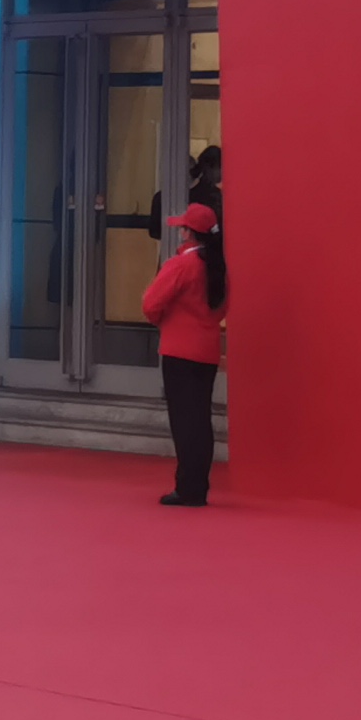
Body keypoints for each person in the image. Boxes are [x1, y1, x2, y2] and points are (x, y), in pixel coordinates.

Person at [142, 199, 226, 506]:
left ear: (189, 232)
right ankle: (197, 484)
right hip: (206, 349)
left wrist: (163, 321)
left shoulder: (181, 265)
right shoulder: (218, 266)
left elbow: (151, 303)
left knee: (184, 421)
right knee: (200, 419)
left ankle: (188, 486)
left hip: (179, 349)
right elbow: (221, 308)